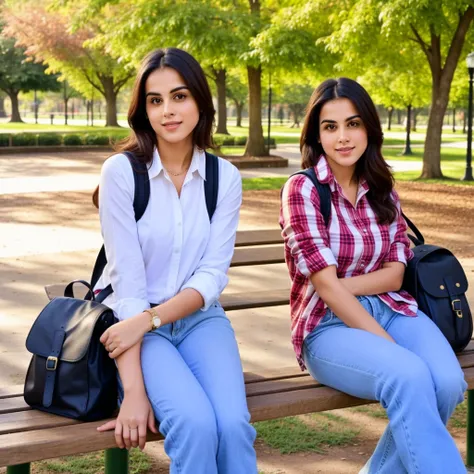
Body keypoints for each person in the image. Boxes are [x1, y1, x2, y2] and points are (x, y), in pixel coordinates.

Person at [279, 77, 467, 474]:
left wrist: (333, 285)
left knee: (448, 383)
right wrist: (384, 342)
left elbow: (395, 275)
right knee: (409, 375)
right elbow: (326, 294)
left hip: (394, 309)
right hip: (327, 328)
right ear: (316, 134)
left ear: (369, 128)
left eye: (353, 124)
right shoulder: (303, 190)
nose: (342, 137)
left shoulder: (381, 189)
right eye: (330, 127)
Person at [92, 48, 257, 474]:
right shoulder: (122, 172)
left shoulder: (224, 178)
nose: (168, 110)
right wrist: (133, 391)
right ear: (143, 109)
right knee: (195, 424)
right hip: (135, 327)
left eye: (179, 96)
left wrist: (152, 319)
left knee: (234, 426)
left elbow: (210, 276)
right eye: (155, 99)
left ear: (200, 102)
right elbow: (127, 288)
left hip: (200, 320)